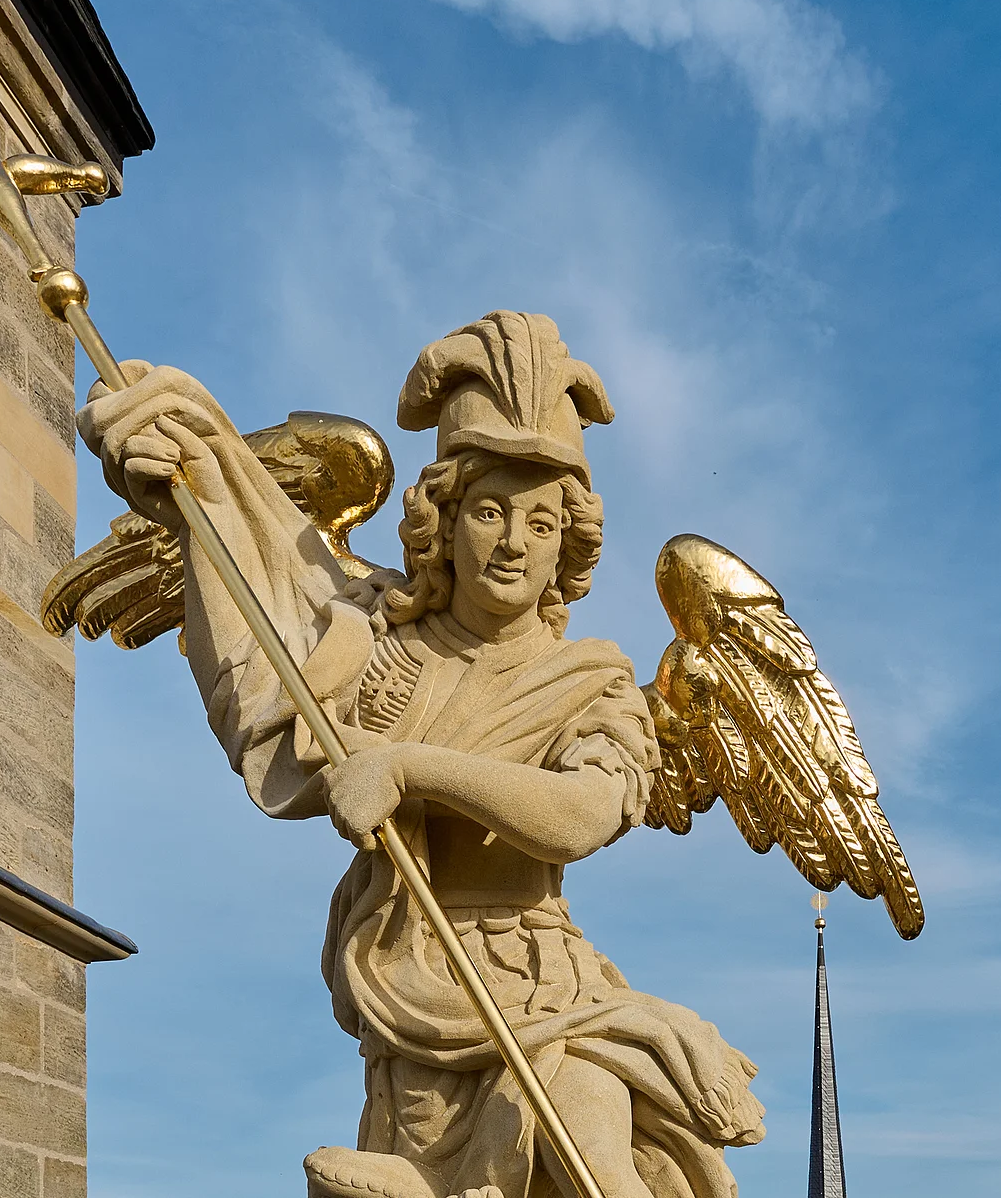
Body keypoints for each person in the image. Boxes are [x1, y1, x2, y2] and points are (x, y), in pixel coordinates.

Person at [79, 312, 764, 1198]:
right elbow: (266, 625)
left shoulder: (591, 680)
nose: (514, 542)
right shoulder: (378, 642)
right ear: (444, 516)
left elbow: (581, 816)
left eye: (542, 522)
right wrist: (194, 478)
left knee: (586, 1140)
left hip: (546, 994)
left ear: (570, 543)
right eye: (488, 511)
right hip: (409, 994)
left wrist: (411, 769)